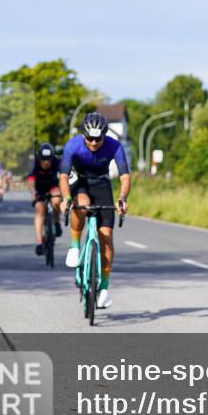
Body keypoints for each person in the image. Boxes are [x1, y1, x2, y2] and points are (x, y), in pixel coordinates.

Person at [59, 112, 131, 309]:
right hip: (80, 182)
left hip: (102, 184)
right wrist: (66, 199)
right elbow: (64, 176)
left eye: (97, 139)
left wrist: (122, 198)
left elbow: (124, 177)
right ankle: (74, 246)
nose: (93, 142)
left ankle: (104, 289)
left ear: (104, 136)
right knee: (81, 203)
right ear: (83, 135)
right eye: (89, 138)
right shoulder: (73, 145)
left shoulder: (114, 146)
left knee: (106, 236)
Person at [27, 143, 63, 255]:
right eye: (43, 159)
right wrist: (33, 193)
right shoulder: (34, 164)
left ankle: (56, 222)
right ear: (39, 158)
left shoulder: (58, 162)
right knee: (40, 210)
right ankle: (39, 242)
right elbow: (31, 182)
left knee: (56, 200)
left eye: (48, 159)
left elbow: (64, 178)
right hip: (39, 188)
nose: (46, 162)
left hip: (53, 185)